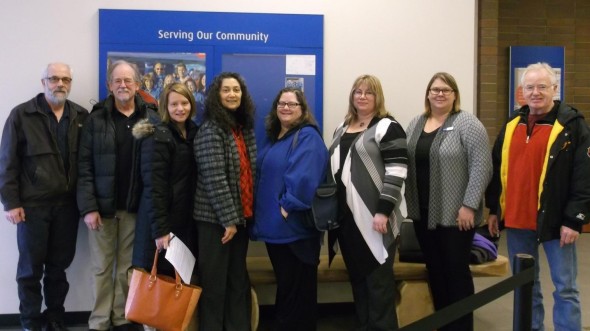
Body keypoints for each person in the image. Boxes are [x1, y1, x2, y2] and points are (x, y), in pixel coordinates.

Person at [486, 62, 590, 331]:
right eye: (529, 87)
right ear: (522, 91)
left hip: (558, 223)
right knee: (525, 287)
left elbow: (584, 176)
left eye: (542, 86)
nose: (535, 92)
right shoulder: (511, 124)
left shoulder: (572, 126)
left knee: (565, 288)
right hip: (518, 222)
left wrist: (574, 219)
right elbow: (497, 169)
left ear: (555, 88)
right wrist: (495, 209)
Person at [0, 63, 88, 331]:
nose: (59, 83)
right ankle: (29, 322)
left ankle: (55, 319)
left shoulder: (80, 116)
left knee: (58, 270)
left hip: (67, 207)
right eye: (53, 78)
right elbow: (7, 162)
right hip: (32, 207)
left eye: (65, 79)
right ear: (43, 82)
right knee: (29, 271)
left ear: (70, 83)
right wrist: (11, 202)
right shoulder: (22, 115)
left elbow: (87, 164)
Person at [405, 72, 492, 331]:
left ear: (454, 94)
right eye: (435, 89)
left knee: (456, 276)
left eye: (445, 89)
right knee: (436, 273)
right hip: (423, 215)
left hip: (457, 216)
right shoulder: (416, 123)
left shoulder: (467, 123)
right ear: (428, 94)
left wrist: (469, 205)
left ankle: (462, 327)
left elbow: (481, 166)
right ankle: (444, 325)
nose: (439, 94)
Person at [77, 60, 159, 331]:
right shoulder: (96, 119)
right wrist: (88, 207)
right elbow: (84, 166)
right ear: (109, 85)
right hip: (101, 209)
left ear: (137, 85)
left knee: (127, 268)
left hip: (134, 208)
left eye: (128, 80)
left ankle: (122, 318)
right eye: (117, 81)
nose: (123, 85)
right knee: (101, 269)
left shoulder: (149, 117)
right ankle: (100, 321)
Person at [327, 75, 407, 330]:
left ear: (377, 97)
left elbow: (397, 171)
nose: (362, 96)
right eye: (357, 92)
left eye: (368, 93)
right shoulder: (342, 127)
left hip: (376, 220)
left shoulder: (388, 127)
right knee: (359, 282)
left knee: (378, 285)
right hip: (348, 221)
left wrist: (383, 211)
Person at [251, 87, 328, 331]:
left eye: (292, 104)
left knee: (298, 293)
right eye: (281, 103)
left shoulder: (307, 136)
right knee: (288, 288)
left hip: (295, 230)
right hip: (276, 231)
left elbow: (305, 176)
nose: (285, 107)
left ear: (302, 110)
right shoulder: (277, 137)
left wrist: (287, 207)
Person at [193, 72, 256, 330]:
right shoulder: (211, 130)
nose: (232, 94)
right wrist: (229, 220)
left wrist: (239, 219)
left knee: (237, 282)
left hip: (239, 219)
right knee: (215, 286)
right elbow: (214, 178)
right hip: (215, 222)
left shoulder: (240, 128)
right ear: (216, 96)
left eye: (236, 90)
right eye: (226, 90)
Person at [131, 82, 198, 278]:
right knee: (161, 284)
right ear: (165, 107)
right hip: (163, 223)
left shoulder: (194, 132)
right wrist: (160, 230)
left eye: (184, 103)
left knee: (180, 281)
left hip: (184, 221)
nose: (180, 109)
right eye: (174, 104)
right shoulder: (156, 137)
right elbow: (154, 188)